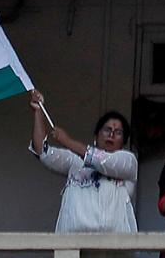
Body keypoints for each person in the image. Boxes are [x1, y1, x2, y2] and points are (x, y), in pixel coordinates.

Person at [31, 94, 138, 232]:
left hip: (114, 247)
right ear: (96, 136)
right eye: (107, 129)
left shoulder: (128, 161)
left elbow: (103, 161)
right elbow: (42, 151)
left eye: (118, 132)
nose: (111, 135)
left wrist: (67, 141)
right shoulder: (75, 161)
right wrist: (38, 111)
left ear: (124, 142)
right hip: (74, 245)